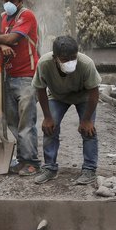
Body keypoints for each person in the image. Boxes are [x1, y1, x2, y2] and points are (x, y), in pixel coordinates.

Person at [0, 0, 40, 175]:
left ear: (20, 1)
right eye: (6, 0)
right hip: (8, 77)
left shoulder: (26, 16)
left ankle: (31, 162)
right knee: (13, 121)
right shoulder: (0, 20)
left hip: (27, 76)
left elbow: (12, 39)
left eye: (13, 0)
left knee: (26, 122)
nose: (9, 3)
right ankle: (22, 159)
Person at [32, 36, 101, 185]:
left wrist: (87, 119)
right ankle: (50, 168)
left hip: (83, 96)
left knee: (88, 130)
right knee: (50, 127)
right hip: (57, 96)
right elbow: (40, 89)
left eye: (73, 57)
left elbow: (94, 92)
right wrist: (47, 117)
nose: (70, 62)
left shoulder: (86, 64)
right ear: (55, 57)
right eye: (65, 59)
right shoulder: (44, 63)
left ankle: (89, 169)